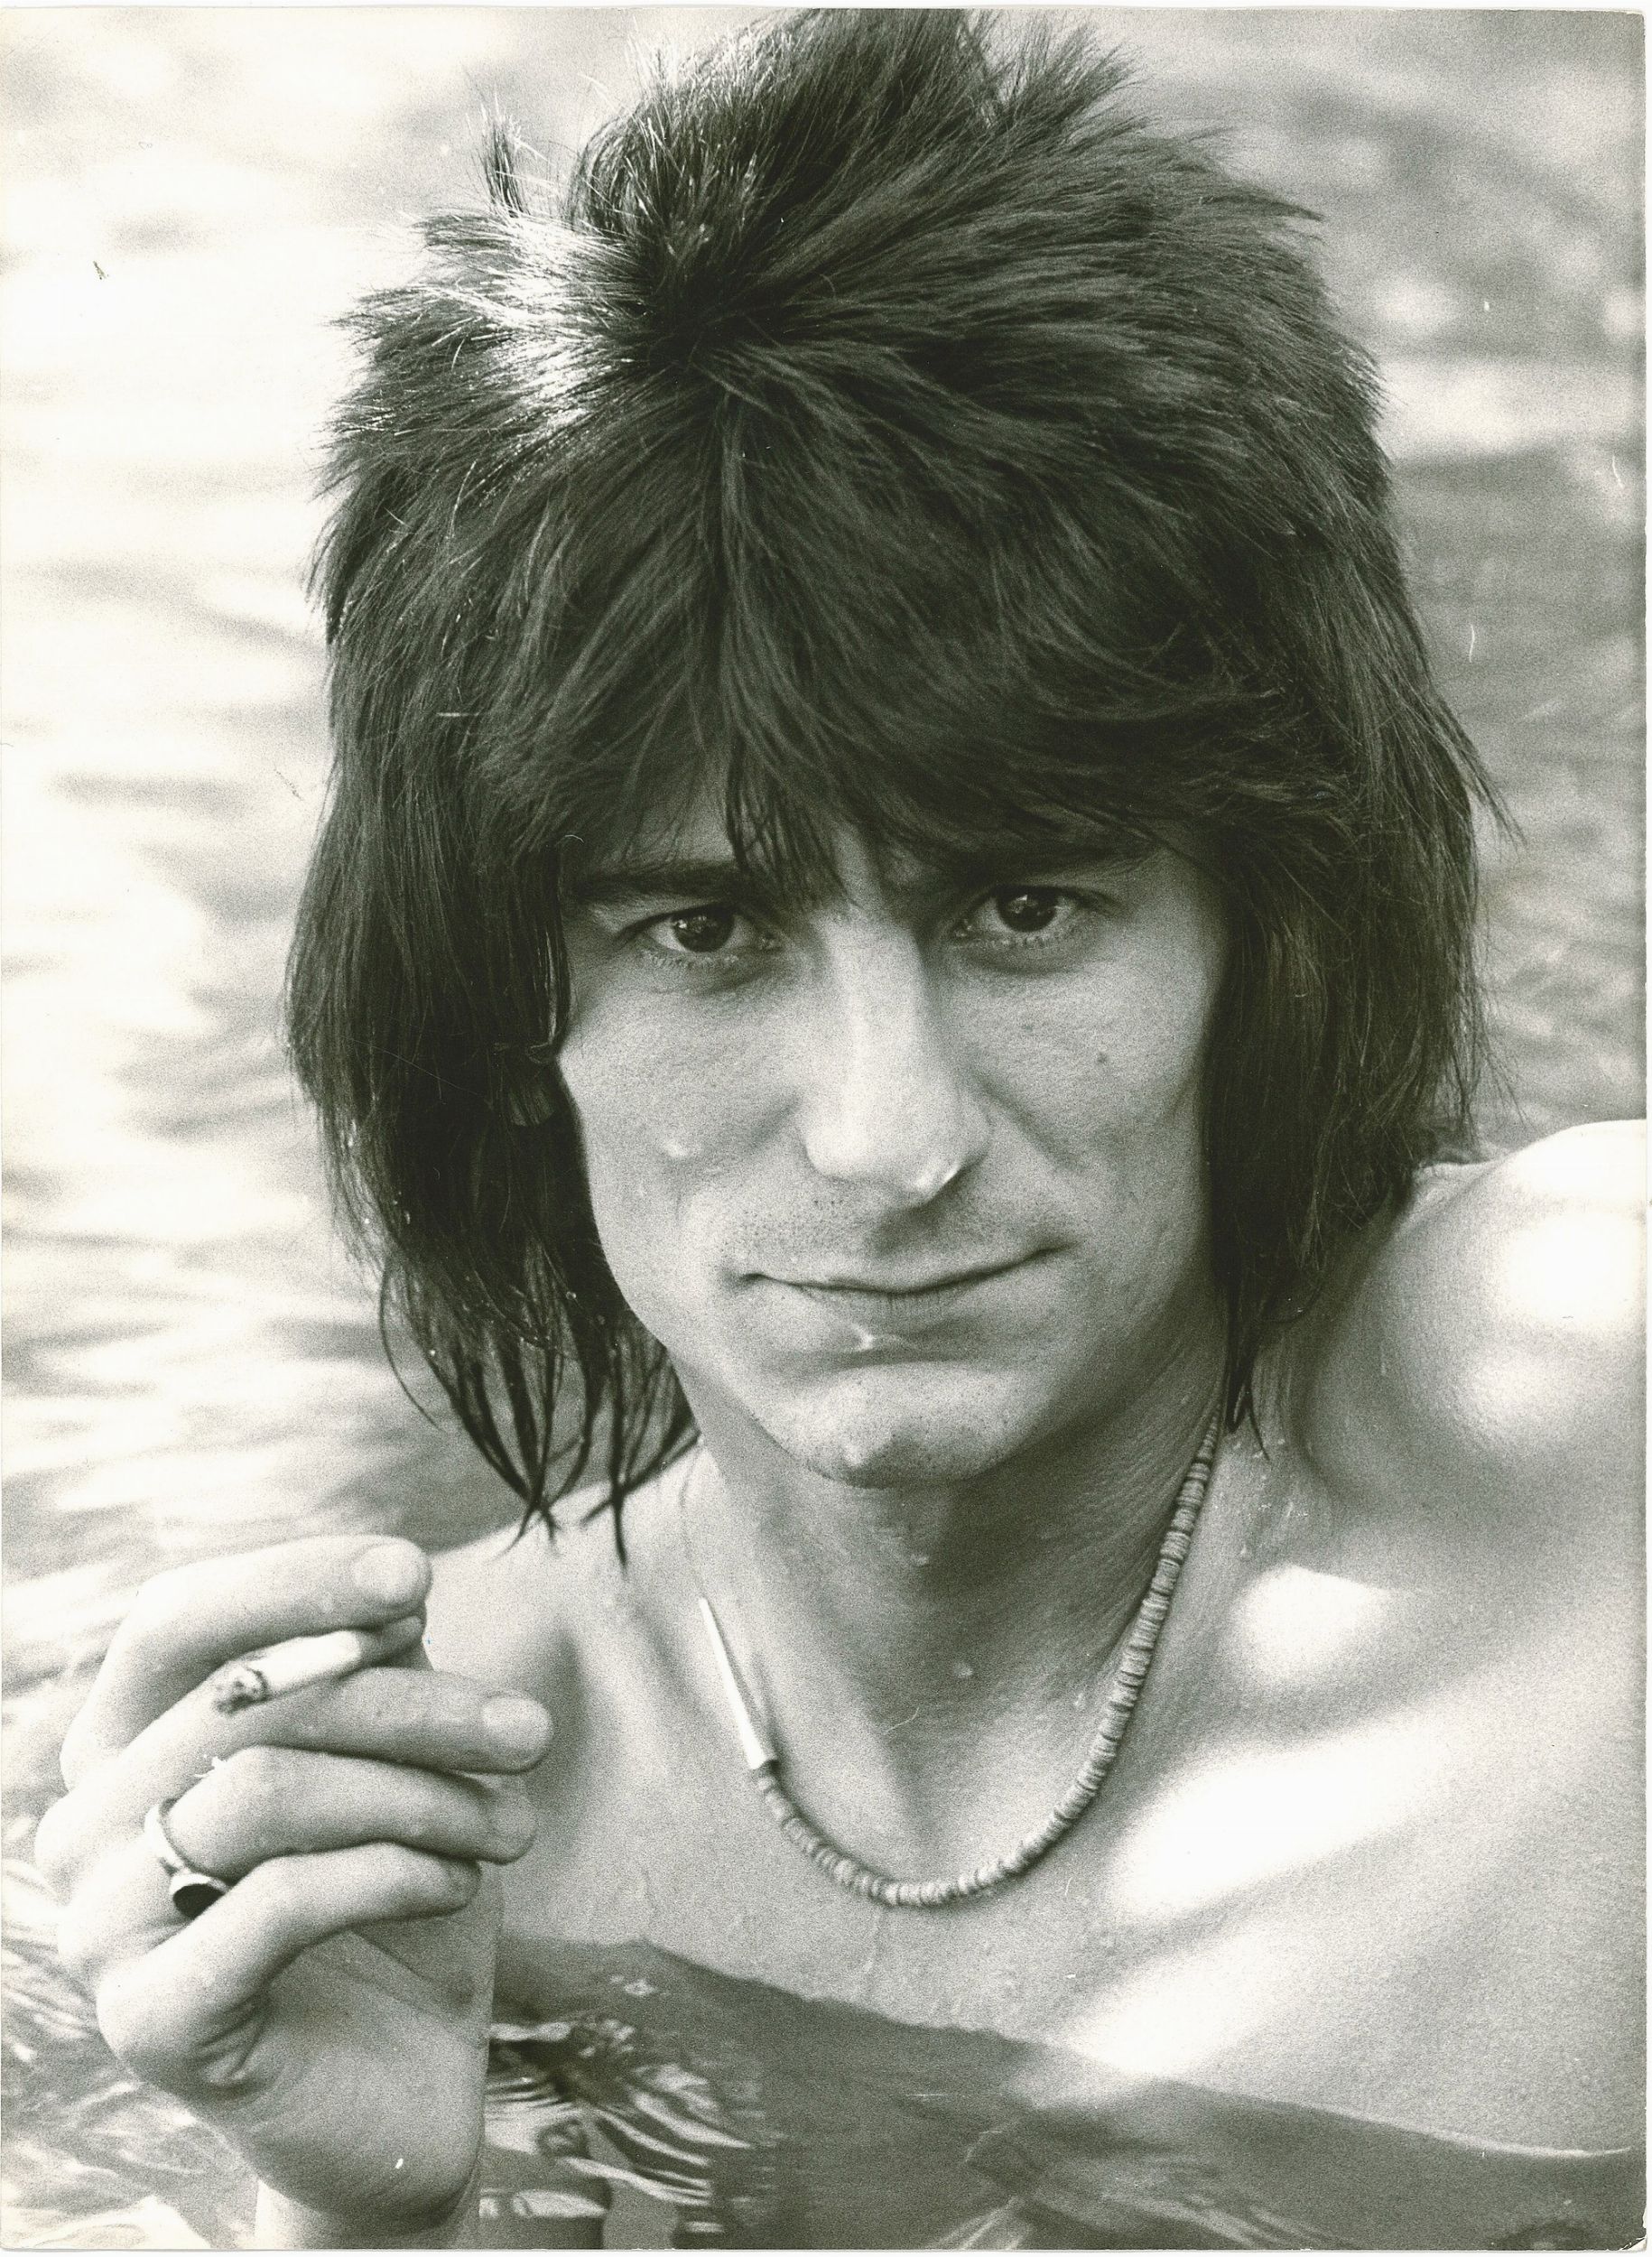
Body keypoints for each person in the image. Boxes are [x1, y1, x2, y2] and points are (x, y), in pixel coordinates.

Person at [37, 12, 1642, 2248]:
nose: (895, 1140)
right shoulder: (433, 1805)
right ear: (506, 1014)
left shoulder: (1592, 1434)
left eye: (1026, 905)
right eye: (707, 931)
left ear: (1263, 932)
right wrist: (350, 2209)